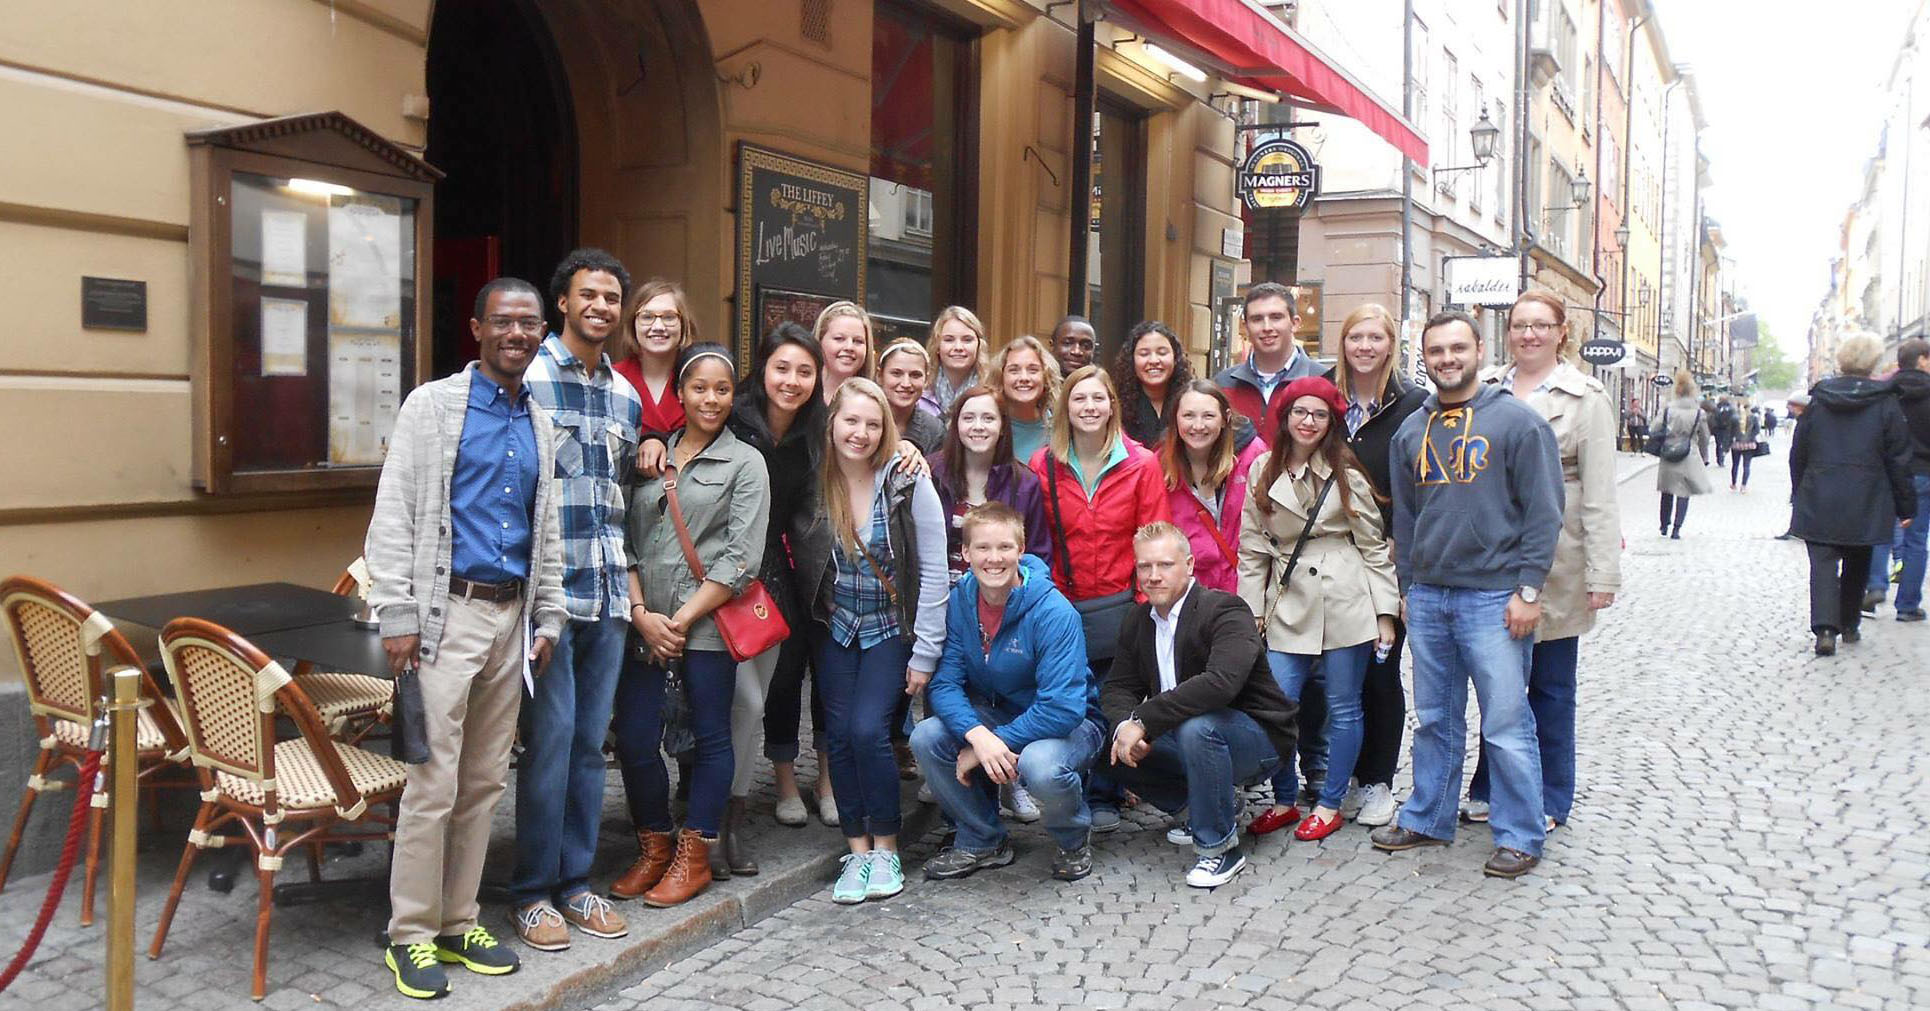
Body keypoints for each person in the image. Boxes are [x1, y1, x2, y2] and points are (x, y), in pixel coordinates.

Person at [366, 278, 566, 999]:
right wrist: (398, 615)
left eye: (528, 323)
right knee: (432, 781)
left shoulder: (540, 420)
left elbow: (546, 530)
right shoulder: (435, 405)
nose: (516, 332)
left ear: (542, 333)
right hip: (445, 618)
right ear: (477, 326)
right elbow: (395, 514)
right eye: (503, 320)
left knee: (483, 780)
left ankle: (459, 918)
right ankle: (410, 933)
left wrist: (547, 616)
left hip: (512, 622)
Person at [1369, 310, 1563, 880]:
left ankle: (1521, 832)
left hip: (1495, 596)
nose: (1447, 359)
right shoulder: (1411, 431)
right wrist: (1407, 588)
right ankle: (1428, 816)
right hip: (1429, 597)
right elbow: (1405, 520)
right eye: (1436, 351)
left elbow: (1545, 513)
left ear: (1479, 349)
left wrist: (1529, 589)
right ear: (1423, 358)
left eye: (1458, 348)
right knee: (1434, 717)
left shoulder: (1518, 424)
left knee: (1505, 722)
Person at [511, 248, 640, 950]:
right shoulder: (526, 379)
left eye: (610, 297)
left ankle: (577, 883)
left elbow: (621, 491)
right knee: (550, 743)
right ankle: (531, 891)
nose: (600, 306)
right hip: (551, 599)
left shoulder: (625, 395)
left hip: (611, 592)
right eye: (587, 294)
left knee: (591, 746)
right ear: (563, 301)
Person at [610, 343, 770, 907]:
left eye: (722, 389)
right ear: (680, 393)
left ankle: (694, 854)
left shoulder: (746, 463)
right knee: (633, 736)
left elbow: (741, 559)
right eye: (699, 387)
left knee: (708, 738)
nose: (710, 398)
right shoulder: (651, 458)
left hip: (702, 628)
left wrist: (675, 622)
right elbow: (622, 537)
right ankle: (653, 845)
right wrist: (639, 616)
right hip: (643, 625)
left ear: (733, 396)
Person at [1463, 290, 1621, 833]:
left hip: (1559, 554)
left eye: (1541, 326)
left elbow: (1600, 492)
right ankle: (1488, 785)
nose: (1529, 335)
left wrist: (1602, 575)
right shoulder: (1487, 388)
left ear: (1561, 332)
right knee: (1496, 681)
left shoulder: (1587, 396)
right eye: (1520, 326)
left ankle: (1551, 795)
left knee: (1551, 686)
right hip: (1491, 553)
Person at [790, 379, 948, 902]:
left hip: (889, 628)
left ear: (886, 430)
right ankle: (856, 852)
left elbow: (932, 570)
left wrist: (925, 651)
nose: (859, 433)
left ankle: (887, 848)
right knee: (836, 737)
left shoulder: (906, 480)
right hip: (837, 627)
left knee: (868, 732)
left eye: (872, 424)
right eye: (850, 421)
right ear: (832, 422)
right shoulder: (817, 480)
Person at [1237, 376, 1398, 842]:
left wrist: (1385, 613)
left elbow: (1373, 547)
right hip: (1288, 599)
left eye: (1319, 414)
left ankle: (1328, 802)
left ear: (1332, 423)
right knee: (1277, 704)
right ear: (1285, 418)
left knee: (1343, 706)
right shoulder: (1263, 469)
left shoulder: (1346, 473)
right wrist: (1252, 613)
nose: (1308, 422)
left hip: (1346, 597)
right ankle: (1285, 798)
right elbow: (1251, 550)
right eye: (1300, 413)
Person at [913, 503, 1103, 882]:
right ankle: (983, 840)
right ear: (966, 553)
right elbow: (946, 683)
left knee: (1040, 765)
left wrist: (995, 741)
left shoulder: (1054, 612)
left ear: (1021, 549)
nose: (994, 559)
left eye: (1004, 548)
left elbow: (1062, 708)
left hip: (1069, 726)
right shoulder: (959, 602)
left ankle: (1072, 838)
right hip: (997, 716)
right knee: (926, 737)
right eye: (982, 548)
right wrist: (979, 737)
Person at [1101, 523, 1299, 887]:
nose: (1154, 576)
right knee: (1105, 740)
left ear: (1190, 565)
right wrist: (1124, 726)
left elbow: (1220, 685)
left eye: (1165, 565)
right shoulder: (1137, 619)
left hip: (1260, 741)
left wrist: (1143, 720)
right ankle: (1199, 807)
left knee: (1199, 727)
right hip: (1188, 737)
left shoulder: (1226, 609)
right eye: (1145, 567)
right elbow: (1118, 688)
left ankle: (1221, 850)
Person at [1032, 364, 1170, 833]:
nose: (1089, 408)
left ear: (1112, 404)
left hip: (1122, 603)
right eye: (1079, 399)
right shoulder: (1043, 464)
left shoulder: (1140, 464)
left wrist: (1143, 602)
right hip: (1062, 606)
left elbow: (1153, 536)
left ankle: (1106, 791)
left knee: (1116, 701)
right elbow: (1038, 538)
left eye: (1098, 398)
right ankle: (1070, 783)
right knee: (1072, 702)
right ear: (1064, 407)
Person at [723, 324, 831, 833]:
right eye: (782, 368)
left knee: (783, 674)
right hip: (721, 564)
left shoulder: (815, 432)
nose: (792, 380)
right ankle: (718, 802)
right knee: (728, 691)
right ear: (762, 367)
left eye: (805, 371)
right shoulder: (734, 420)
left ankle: (760, 789)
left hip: (774, 567)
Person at [1324, 302, 1427, 828]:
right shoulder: (1325, 395)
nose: (1364, 347)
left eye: (1375, 338)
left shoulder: (1413, 405)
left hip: (1385, 561)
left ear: (1391, 345)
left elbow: (1422, 484)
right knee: (1332, 675)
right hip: (1326, 559)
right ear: (1343, 343)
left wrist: (1397, 542)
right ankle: (1333, 776)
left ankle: (1379, 780)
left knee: (1380, 673)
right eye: (1355, 337)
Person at [1791, 334, 1918, 655]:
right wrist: (1906, 506)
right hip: (1867, 495)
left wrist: (1799, 490)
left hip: (1820, 492)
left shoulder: (1819, 401)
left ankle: (1825, 630)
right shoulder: (1886, 403)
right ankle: (1848, 623)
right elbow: (1899, 459)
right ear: (1873, 363)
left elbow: (1799, 452)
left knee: (1822, 564)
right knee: (1857, 559)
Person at [930, 386, 1052, 585]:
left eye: (988, 418)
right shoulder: (932, 473)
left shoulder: (1025, 483)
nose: (978, 426)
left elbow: (1038, 556)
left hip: (1000, 601)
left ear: (1003, 426)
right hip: (938, 600)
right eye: (969, 418)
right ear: (956, 425)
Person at [1160, 381, 1265, 594]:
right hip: (1187, 595)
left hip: (1245, 590)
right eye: (1188, 416)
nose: (1198, 426)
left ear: (1226, 418)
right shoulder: (1159, 467)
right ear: (1175, 419)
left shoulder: (1253, 456)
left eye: (1208, 416)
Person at [1867, 338, 1930, 621]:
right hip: (1922, 471)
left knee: (1880, 532)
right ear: (1922, 360)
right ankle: (1907, 605)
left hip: (1885, 471)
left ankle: (1875, 585)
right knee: (1915, 540)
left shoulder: (1884, 392)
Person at [1215, 282, 1322, 446]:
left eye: (1276, 317)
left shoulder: (1323, 381)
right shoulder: (1222, 384)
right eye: (1257, 319)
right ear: (1246, 326)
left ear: (1295, 323)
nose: (1267, 327)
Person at [610, 278, 695, 440]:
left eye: (669, 317)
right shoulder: (612, 378)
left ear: (683, 324)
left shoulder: (699, 379)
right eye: (647, 317)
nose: (658, 327)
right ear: (633, 324)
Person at [1653, 371, 1714, 539]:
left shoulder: (1667, 410)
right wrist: (1704, 455)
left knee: (1667, 489)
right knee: (1683, 491)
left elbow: (1654, 428)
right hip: (1689, 453)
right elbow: (1705, 437)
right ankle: (1677, 529)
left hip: (1668, 451)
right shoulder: (1698, 413)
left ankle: (1664, 524)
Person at [1117, 320, 1193, 448]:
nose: (1153, 360)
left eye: (1162, 353)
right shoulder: (1116, 405)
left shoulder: (1192, 400)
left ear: (1175, 358)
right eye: (1144, 354)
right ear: (1132, 360)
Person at [993, 335, 1062, 465]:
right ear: (1001, 377)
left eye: (1033, 370)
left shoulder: (1060, 430)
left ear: (1045, 377)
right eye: (1014, 370)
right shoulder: (988, 426)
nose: (1024, 377)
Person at [920, 305, 989, 419]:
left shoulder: (992, 390)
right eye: (949, 340)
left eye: (967, 340)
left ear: (979, 345)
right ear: (937, 346)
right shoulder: (920, 391)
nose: (958, 347)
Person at [879, 338, 945, 453]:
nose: (906, 384)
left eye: (915, 375)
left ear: (926, 380)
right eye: (896, 373)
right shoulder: (862, 419)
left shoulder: (934, 430)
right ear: (880, 375)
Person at [814, 300, 876, 403]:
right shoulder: (801, 395)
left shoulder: (874, 402)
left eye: (858, 341)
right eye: (839, 339)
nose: (849, 347)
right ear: (820, 341)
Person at [1731, 397, 1762, 491]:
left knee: (1735, 465)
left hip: (1736, 444)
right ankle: (1743, 486)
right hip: (1749, 444)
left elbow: (1730, 431)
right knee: (1746, 465)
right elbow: (1757, 430)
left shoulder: (1735, 417)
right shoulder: (1753, 417)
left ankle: (1733, 484)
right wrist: (1750, 437)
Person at [1712, 396, 1738, 466]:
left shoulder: (1716, 408)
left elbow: (1713, 418)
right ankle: (1723, 456)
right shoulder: (1731, 408)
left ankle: (1719, 459)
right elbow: (1734, 418)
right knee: (1725, 443)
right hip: (1727, 429)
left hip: (1718, 429)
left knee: (1718, 444)